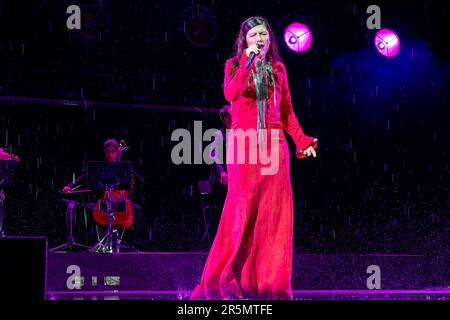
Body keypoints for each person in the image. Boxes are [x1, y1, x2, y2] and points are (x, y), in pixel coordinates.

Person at [191, 16, 318, 300]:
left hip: (274, 144)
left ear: (270, 39)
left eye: (264, 35)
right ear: (244, 41)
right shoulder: (234, 65)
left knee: (275, 216)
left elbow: (286, 111)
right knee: (242, 209)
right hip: (244, 144)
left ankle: (269, 285)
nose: (260, 39)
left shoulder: (278, 68)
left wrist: (301, 140)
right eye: (254, 36)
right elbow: (231, 92)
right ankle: (228, 280)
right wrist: (248, 64)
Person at [62, 139, 141, 250]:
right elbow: (84, 177)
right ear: (105, 152)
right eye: (108, 152)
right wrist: (69, 185)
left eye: (113, 151)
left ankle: (132, 245)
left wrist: (130, 177)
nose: (110, 154)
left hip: (121, 206)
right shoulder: (101, 168)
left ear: (116, 152)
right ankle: (92, 244)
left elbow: (138, 183)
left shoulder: (125, 169)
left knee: (136, 209)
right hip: (105, 205)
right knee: (89, 208)